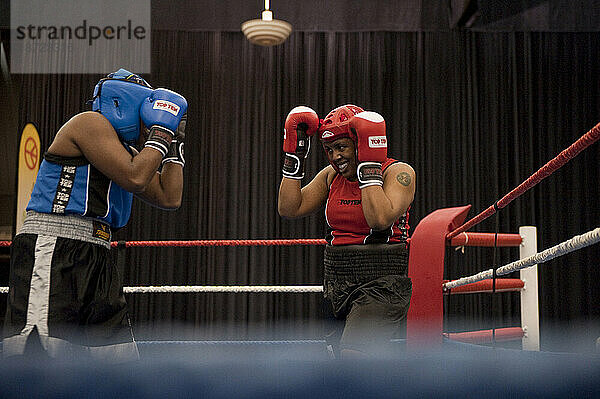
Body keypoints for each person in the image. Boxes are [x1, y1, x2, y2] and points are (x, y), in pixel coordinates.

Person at [2, 68, 188, 362]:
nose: (147, 127)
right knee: (41, 358)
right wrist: (161, 134)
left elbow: (169, 196)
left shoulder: (125, 150)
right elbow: (136, 178)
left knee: (114, 360)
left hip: (97, 253)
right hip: (55, 246)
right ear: (126, 103)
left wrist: (174, 144)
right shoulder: (88, 123)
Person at [278, 104, 415, 359]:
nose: (335, 157)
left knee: (353, 360)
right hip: (337, 280)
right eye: (329, 150)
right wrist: (294, 156)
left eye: (342, 147)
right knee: (335, 363)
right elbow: (289, 207)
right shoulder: (331, 177)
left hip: (381, 282)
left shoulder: (398, 173)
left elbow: (379, 220)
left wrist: (369, 164)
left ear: (361, 142)